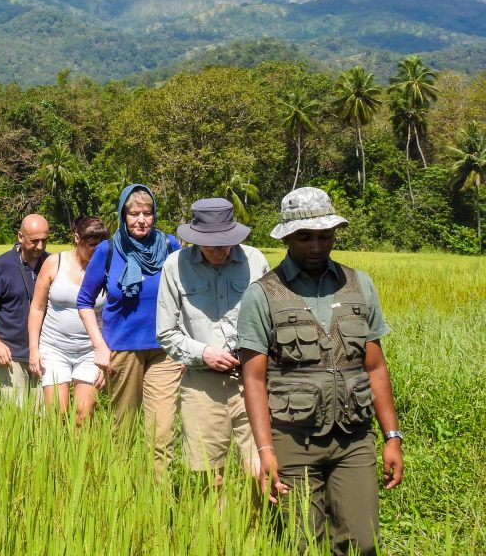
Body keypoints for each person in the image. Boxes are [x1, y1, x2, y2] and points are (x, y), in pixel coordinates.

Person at [238, 187, 403, 556]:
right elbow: (253, 379)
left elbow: (375, 367)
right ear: (287, 237)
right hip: (292, 439)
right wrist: (265, 449)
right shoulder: (262, 294)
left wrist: (392, 436)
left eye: (324, 235)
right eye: (304, 237)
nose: (315, 245)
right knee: (303, 544)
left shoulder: (359, 285)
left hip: (354, 440)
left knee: (363, 542)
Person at [156, 197, 270, 487]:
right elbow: (166, 332)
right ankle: (216, 531)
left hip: (252, 380)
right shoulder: (175, 265)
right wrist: (204, 353)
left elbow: (272, 320)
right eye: (211, 243)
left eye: (225, 242)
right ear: (195, 238)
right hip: (202, 383)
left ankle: (254, 530)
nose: (219, 250)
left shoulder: (255, 261)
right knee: (209, 477)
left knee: (259, 469)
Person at [77, 184, 182, 474]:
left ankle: (159, 501)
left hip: (164, 351)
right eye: (134, 213)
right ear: (123, 215)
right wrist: (99, 345)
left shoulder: (171, 246)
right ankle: (121, 492)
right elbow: (84, 301)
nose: (141, 220)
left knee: (161, 435)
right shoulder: (108, 250)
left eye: (147, 213)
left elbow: (187, 295)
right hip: (122, 351)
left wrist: (186, 346)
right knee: (122, 430)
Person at [28, 216, 110, 426]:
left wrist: (106, 353)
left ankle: (81, 457)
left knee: (84, 413)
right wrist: (34, 349)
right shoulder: (55, 263)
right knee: (57, 412)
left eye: (100, 246)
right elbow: (37, 308)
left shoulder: (108, 268)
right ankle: (56, 457)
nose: (95, 251)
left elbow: (115, 313)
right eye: (90, 245)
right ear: (76, 238)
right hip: (54, 348)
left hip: (90, 351)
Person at [0, 214, 50, 406]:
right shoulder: (2, 266)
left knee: (43, 416)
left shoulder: (51, 264)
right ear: (20, 237)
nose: (40, 247)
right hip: (11, 354)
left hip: (44, 353)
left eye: (45, 240)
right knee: (15, 415)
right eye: (34, 241)